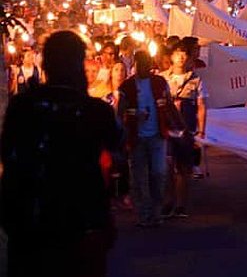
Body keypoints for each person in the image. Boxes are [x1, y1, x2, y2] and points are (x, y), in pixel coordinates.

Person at [0, 30, 122, 277]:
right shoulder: (95, 111)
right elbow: (117, 165)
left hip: (30, 223)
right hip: (82, 224)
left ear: (46, 65)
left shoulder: (22, 106)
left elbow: (9, 158)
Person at [118, 51, 178, 228]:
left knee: (159, 174)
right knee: (139, 178)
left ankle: (156, 212)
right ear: (135, 64)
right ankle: (143, 215)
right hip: (137, 138)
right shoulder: (127, 86)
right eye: (141, 63)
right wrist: (135, 114)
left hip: (157, 136)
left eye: (146, 63)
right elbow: (119, 113)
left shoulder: (160, 83)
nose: (144, 67)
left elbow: (169, 105)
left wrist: (180, 127)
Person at [161, 40, 208, 218]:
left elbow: (202, 105)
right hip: (167, 129)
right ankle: (169, 201)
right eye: (177, 53)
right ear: (171, 56)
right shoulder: (162, 78)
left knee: (183, 168)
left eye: (184, 53)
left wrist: (201, 132)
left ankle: (181, 205)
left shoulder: (196, 79)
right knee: (166, 167)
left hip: (186, 130)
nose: (181, 57)